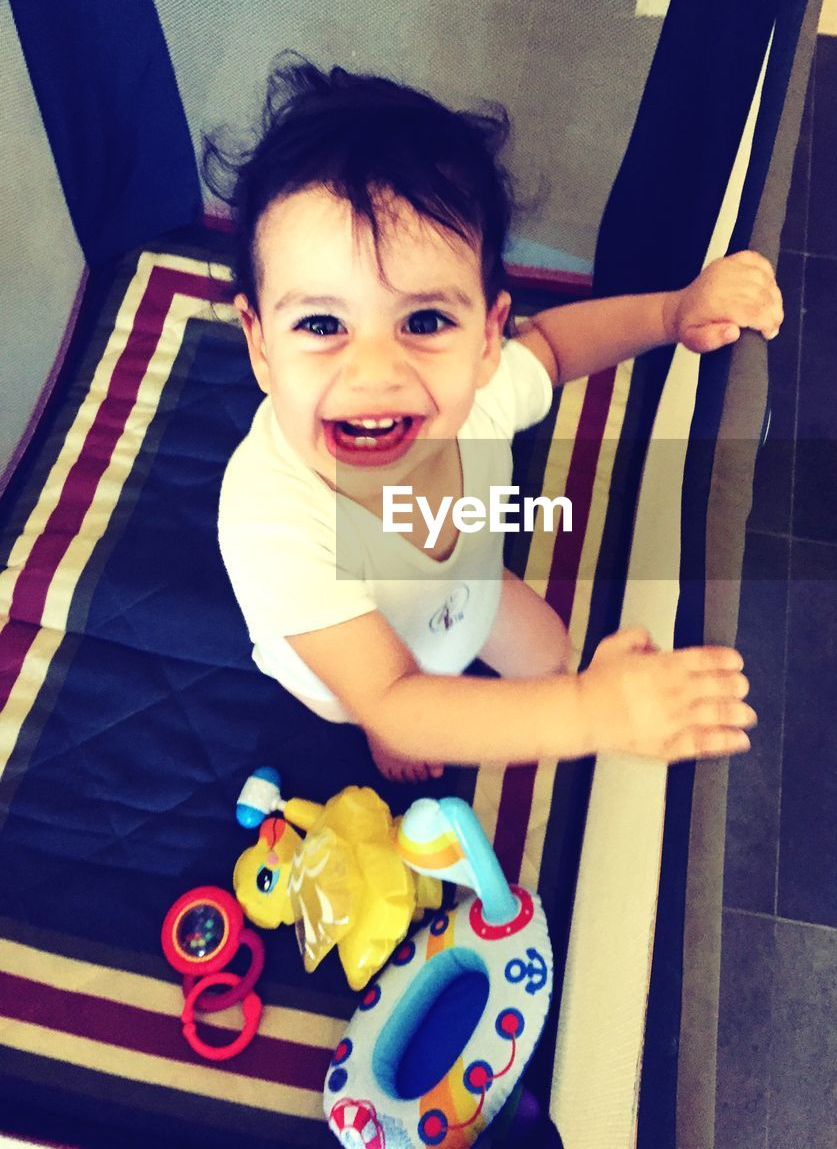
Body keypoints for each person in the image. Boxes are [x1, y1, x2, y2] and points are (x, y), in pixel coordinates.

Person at [209, 54, 783, 782]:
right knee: (397, 713)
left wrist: (674, 312)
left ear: (486, 338)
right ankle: (389, 728)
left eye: (423, 319)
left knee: (553, 658)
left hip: (469, 581)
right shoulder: (271, 519)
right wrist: (587, 714)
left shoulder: (479, 397)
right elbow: (389, 691)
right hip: (351, 670)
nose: (377, 373)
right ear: (259, 346)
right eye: (322, 325)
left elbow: (557, 346)